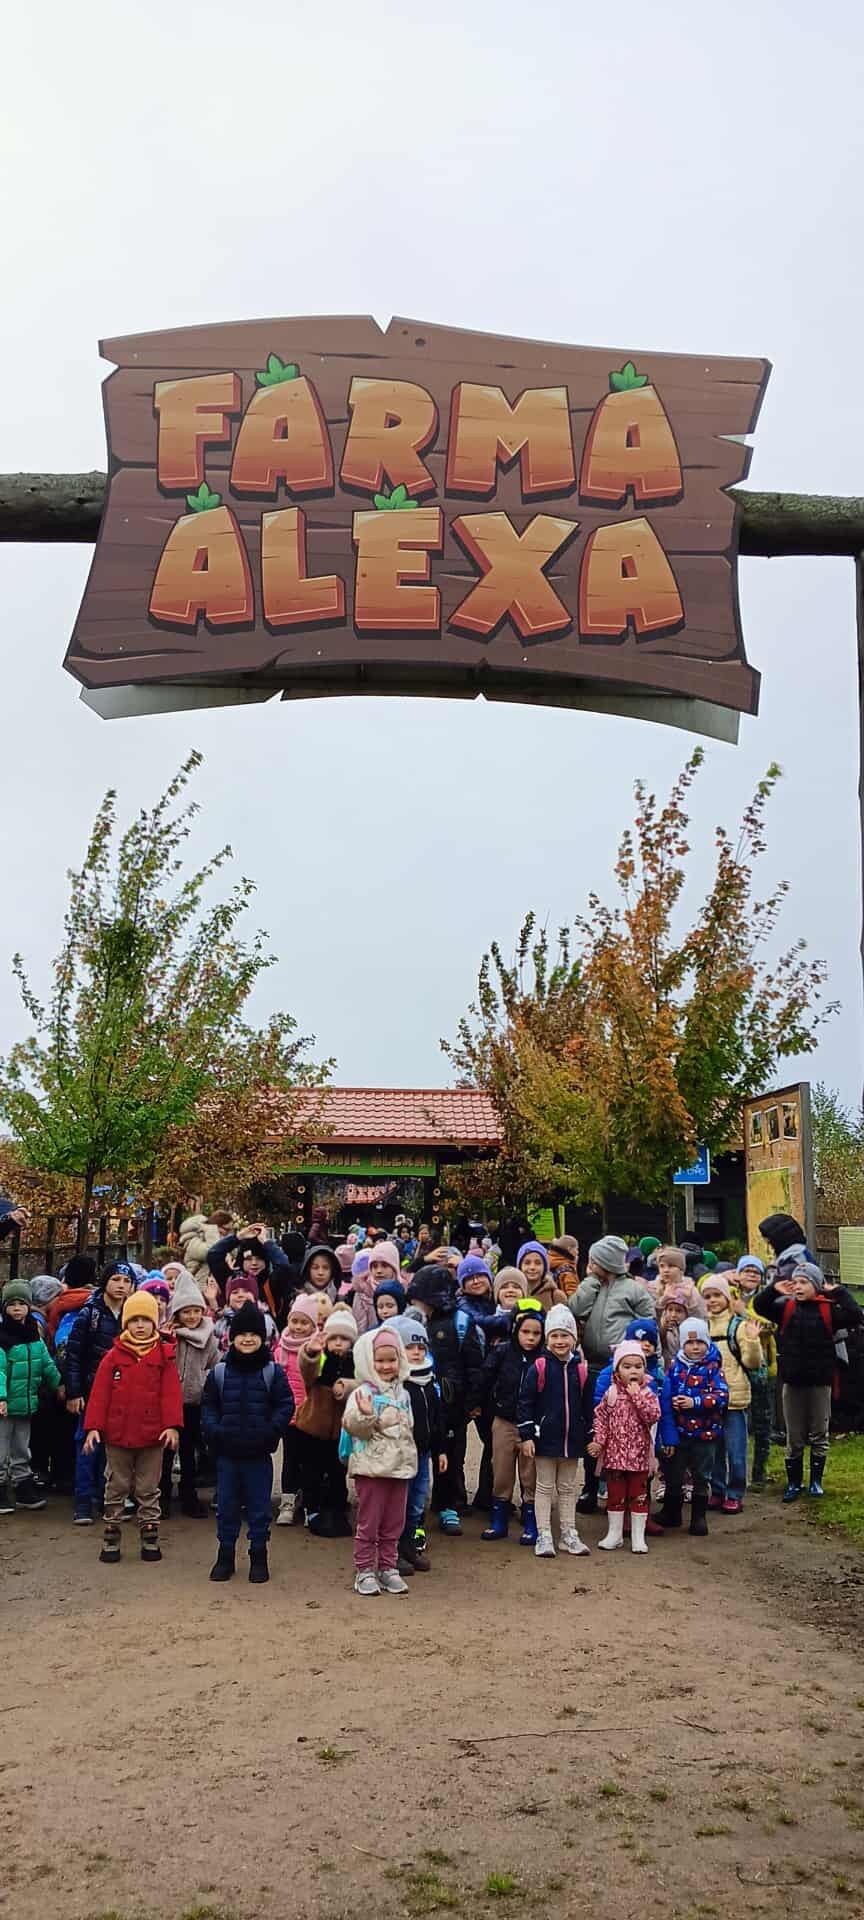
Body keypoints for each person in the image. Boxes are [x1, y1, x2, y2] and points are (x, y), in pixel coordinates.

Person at [83, 1291, 182, 1566]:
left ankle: (149, 1532)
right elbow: (100, 1394)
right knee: (116, 1484)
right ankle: (112, 1530)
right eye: (134, 1320)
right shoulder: (113, 1357)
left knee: (148, 1487)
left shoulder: (163, 1356)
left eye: (145, 1320)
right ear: (126, 1323)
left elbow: (171, 1394)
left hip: (152, 1436)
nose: (140, 1325)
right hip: (117, 1436)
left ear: (154, 1322)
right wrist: (93, 1427)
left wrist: (172, 1425)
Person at [753, 1259, 863, 1500]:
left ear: (816, 1285)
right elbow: (760, 1306)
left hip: (820, 1381)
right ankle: (794, 1483)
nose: (798, 1287)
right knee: (794, 1435)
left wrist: (838, 1291)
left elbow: (855, 1314)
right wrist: (773, 1289)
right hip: (792, 1381)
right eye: (795, 1282)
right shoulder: (786, 1309)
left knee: (819, 1433)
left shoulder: (828, 1310)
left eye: (804, 1282)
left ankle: (815, 1481)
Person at [202, 1299, 294, 1584]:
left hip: (258, 1455)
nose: (247, 1339)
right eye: (242, 1334)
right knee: (226, 1508)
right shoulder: (220, 1372)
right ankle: (225, 1555)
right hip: (227, 1454)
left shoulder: (272, 1372)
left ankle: (258, 1555)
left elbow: (285, 1405)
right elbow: (208, 1406)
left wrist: (270, 1431)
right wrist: (216, 1431)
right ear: (232, 1337)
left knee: (259, 1509)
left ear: (262, 1338)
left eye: (253, 1334)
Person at [568, 1237, 656, 1515]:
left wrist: (638, 1353)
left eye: (595, 1259)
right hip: (593, 1367)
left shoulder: (634, 1290)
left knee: (625, 1429)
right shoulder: (592, 1285)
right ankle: (590, 1485)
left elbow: (649, 1325)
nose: (590, 1263)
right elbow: (575, 1309)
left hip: (623, 1368)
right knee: (594, 1426)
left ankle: (631, 1490)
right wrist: (591, 1283)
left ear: (605, 1261)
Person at [406, 1262, 484, 1535]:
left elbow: (474, 1365)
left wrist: (471, 1402)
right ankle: (414, 1509)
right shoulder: (412, 1322)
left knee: (449, 1457)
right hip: (419, 1402)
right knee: (416, 1457)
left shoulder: (460, 1322)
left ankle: (447, 1505)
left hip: (452, 1405)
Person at [341, 1325, 417, 1597]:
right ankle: (364, 1570)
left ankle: (387, 1567)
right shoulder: (363, 1393)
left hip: (399, 1469)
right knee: (369, 1523)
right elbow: (353, 1427)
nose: (386, 1366)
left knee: (394, 1523)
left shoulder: (403, 1393)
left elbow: (408, 1428)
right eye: (380, 1360)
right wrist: (366, 1414)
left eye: (392, 1359)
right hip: (371, 1469)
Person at [65, 1260, 136, 1525]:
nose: (121, 1286)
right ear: (105, 1282)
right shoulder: (89, 1313)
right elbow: (74, 1355)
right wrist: (74, 1392)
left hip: (122, 1393)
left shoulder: (133, 1314)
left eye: (127, 1281)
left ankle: (108, 1498)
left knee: (114, 1448)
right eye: (116, 1279)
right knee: (87, 1445)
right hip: (91, 1391)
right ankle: (83, 1501)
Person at [516, 1302, 588, 1559]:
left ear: (573, 1339)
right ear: (547, 1339)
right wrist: (526, 1435)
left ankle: (569, 1533)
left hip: (572, 1440)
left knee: (568, 1488)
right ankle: (544, 1533)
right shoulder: (539, 1367)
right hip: (544, 1439)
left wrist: (590, 1435)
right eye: (555, 1335)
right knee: (544, 1487)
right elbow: (525, 1402)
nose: (560, 1341)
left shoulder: (581, 1369)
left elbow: (587, 1406)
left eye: (564, 1335)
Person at [698, 1274, 764, 1513]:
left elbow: (752, 1362)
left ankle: (735, 1492)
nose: (712, 1300)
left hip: (734, 1399)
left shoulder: (738, 1326)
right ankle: (717, 1491)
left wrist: (753, 1341)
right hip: (709, 1400)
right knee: (713, 1451)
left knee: (736, 1451)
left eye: (717, 1295)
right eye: (707, 1296)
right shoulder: (702, 1328)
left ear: (727, 1297)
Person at [481, 1299, 545, 1545]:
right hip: (504, 1420)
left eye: (536, 1333)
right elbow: (486, 1377)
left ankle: (532, 1520)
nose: (530, 1338)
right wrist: (477, 1404)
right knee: (501, 1470)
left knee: (531, 1472)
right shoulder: (503, 1352)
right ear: (516, 1330)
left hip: (533, 1424)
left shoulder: (544, 1358)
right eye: (525, 1332)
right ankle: (499, 1518)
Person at [657, 1317, 728, 1535]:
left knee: (701, 1475)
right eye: (689, 1343)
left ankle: (699, 1517)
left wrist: (695, 1402)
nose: (695, 1347)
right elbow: (666, 1390)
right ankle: (672, 1513)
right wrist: (672, 1401)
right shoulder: (675, 1366)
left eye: (699, 1342)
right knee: (674, 1473)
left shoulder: (713, 1368)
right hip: (680, 1432)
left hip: (705, 1433)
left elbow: (722, 1396)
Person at [388, 1315, 446, 1573]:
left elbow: (437, 1417)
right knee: (398, 1503)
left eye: (420, 1347)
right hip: (401, 1454)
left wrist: (441, 1449)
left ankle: (409, 1545)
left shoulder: (428, 1379)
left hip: (423, 1454)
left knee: (416, 1502)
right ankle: (393, 1550)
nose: (416, 1352)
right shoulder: (396, 1383)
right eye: (409, 1347)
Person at [590, 1340, 661, 1553]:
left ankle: (638, 1537)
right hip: (615, 1458)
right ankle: (615, 1534)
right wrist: (599, 1441)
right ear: (617, 1370)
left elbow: (653, 1416)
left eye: (638, 1366)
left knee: (639, 1496)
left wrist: (637, 1396)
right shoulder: (611, 1393)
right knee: (615, 1496)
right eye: (627, 1366)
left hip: (639, 1458)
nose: (633, 1371)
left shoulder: (648, 1393)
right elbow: (601, 1418)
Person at [293, 1304, 358, 1536]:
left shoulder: (356, 1363)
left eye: (344, 1339)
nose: (338, 1343)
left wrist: (347, 1387)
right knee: (312, 1471)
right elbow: (306, 1371)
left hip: (341, 1430)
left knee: (337, 1473)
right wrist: (310, 1352)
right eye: (334, 1338)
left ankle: (337, 1508)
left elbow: (364, 1385)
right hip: (313, 1425)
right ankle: (312, 1508)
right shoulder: (320, 1358)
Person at [0, 1281, 62, 1513]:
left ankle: (22, 1485)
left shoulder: (34, 1335)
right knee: (1, 1448)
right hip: (5, 1406)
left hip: (26, 1403)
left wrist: (59, 1384)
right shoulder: (2, 1337)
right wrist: (1, 1397)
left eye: (21, 1303)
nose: (17, 1308)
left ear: (29, 1306)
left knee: (22, 1447)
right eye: (12, 1304)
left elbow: (46, 1363)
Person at [162, 1271, 218, 1518]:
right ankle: (162, 1495)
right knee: (165, 1452)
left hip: (195, 1403)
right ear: (177, 1313)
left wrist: (205, 1384)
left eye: (196, 1311)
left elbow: (215, 1364)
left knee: (188, 1452)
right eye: (186, 1312)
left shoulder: (209, 1338)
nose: (192, 1316)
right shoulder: (168, 1336)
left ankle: (189, 1495)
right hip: (169, 1403)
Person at [272, 1293, 318, 1525]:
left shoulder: (317, 1350)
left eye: (304, 1322)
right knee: (290, 1459)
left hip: (311, 1415)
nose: (298, 1327)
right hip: (289, 1415)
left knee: (310, 1461)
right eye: (295, 1321)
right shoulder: (280, 1350)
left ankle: (309, 1504)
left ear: (313, 1325)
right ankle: (288, 1502)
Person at [734, 1255, 776, 1486]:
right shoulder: (728, 1295)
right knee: (736, 1422)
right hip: (733, 1366)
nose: (751, 1274)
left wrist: (744, 1313)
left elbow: (771, 1326)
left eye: (756, 1272)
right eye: (746, 1270)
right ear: (738, 1274)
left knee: (762, 1423)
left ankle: (759, 1473)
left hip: (760, 1367)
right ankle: (736, 1472)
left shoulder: (766, 1299)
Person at [214, 1274, 277, 1355]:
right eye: (235, 1292)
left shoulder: (266, 1320)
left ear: (255, 1296)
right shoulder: (222, 1323)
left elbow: (274, 1346)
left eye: (246, 1291)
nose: (240, 1295)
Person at [515, 1241, 568, 1316]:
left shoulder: (556, 1296)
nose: (532, 1267)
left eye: (538, 1263)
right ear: (520, 1266)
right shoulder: (514, 1294)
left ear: (545, 1267)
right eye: (527, 1263)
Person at [177, 1210, 234, 1279]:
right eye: (227, 1229)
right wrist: (212, 1230)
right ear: (216, 1227)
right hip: (198, 1284)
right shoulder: (192, 1242)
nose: (229, 1233)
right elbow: (212, 1252)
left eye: (231, 1230)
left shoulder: (219, 1241)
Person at [653, 1247, 704, 1317]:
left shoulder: (691, 1290)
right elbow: (652, 1317)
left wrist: (690, 1301)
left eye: (671, 1266)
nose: (666, 1270)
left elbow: (702, 1317)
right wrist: (662, 1301)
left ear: (681, 1269)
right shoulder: (654, 1288)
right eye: (662, 1266)